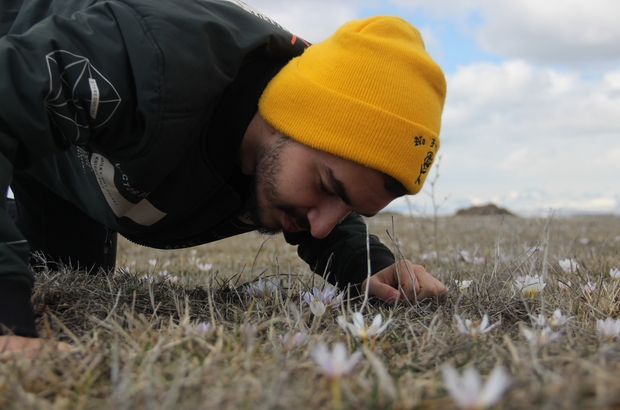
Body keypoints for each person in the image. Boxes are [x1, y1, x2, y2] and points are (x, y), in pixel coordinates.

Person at [0, 0, 448, 354]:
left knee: (67, 275)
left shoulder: (296, 142)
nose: (322, 224)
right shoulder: (152, 60)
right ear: (284, 119)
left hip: (66, 166)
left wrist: (366, 263)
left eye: (350, 207)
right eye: (328, 188)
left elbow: (330, 196)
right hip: (18, 59)